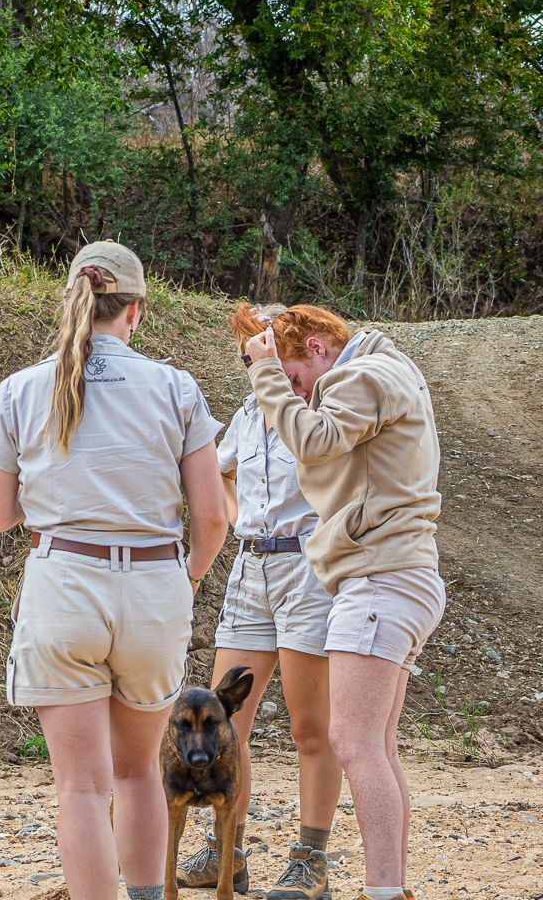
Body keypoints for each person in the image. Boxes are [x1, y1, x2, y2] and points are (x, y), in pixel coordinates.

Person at [0, 241, 228, 900]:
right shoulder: (176, 388)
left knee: (80, 785)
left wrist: (63, 497)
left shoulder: (24, 388)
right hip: (153, 587)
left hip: (66, 583)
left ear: (72, 300)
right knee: (140, 770)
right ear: (136, 310)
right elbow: (212, 519)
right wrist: (187, 577)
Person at [243, 306, 444, 900]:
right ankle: (392, 887)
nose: (300, 395)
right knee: (377, 745)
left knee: (354, 742)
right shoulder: (386, 369)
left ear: (319, 348)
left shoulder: (362, 376)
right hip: (398, 574)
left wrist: (264, 374)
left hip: (379, 576)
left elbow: (315, 440)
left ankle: (383, 889)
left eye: (297, 378)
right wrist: (276, 345)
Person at [176, 304, 340, 900]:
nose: (257, 362)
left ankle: (310, 859)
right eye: (251, 353)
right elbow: (212, 478)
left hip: (307, 566)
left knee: (310, 727)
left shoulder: (321, 409)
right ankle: (227, 852)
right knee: (224, 721)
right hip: (251, 564)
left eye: (267, 350)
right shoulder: (248, 413)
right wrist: (228, 515)